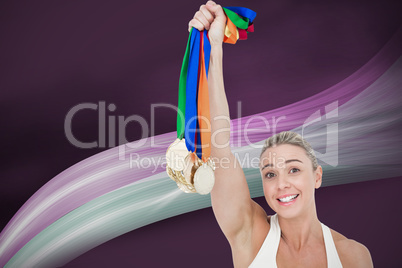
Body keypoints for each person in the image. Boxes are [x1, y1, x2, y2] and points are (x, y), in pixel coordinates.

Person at [188, 1, 374, 267]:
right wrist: (214, 46)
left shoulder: (354, 256)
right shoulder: (249, 234)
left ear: (317, 176)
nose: (282, 184)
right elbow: (218, 146)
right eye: (270, 174)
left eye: (294, 169)